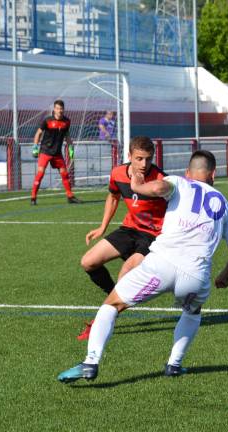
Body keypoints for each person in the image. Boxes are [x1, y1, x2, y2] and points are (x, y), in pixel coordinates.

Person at [58, 150, 228, 382]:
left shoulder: (179, 182)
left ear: (188, 173)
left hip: (161, 265)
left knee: (112, 304)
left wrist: (136, 187)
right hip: (195, 276)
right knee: (192, 312)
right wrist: (223, 277)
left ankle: (90, 362)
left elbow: (157, 189)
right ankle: (174, 365)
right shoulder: (225, 206)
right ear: (213, 174)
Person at [76, 136, 168, 340]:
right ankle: (115, 296)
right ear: (129, 156)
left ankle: (99, 322)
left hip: (153, 235)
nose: (144, 164)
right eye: (139, 158)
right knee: (88, 262)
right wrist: (102, 227)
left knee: (125, 274)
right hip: (129, 228)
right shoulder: (117, 173)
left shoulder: (161, 180)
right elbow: (113, 196)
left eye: (148, 159)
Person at [31, 100, 79, 205]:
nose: (59, 111)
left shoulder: (67, 122)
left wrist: (70, 148)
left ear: (63, 109)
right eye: (57, 108)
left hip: (57, 153)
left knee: (65, 174)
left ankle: (70, 197)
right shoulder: (47, 120)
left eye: (61, 109)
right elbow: (38, 133)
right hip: (45, 151)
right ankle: (33, 198)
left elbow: (67, 136)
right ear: (54, 109)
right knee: (40, 174)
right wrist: (35, 147)